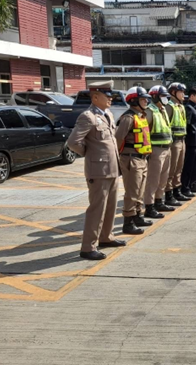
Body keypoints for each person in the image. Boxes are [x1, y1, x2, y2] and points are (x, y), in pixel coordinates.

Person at [67, 81, 125, 261]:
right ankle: (88, 247)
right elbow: (73, 142)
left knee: (111, 206)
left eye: (111, 96)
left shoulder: (108, 114)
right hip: (98, 170)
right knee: (97, 209)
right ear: (95, 97)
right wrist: (89, 153)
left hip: (112, 168)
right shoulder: (88, 117)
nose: (110, 99)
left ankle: (106, 237)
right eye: (107, 96)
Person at [115, 87, 154, 235]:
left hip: (142, 158)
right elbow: (118, 138)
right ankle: (128, 222)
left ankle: (138, 216)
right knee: (132, 192)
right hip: (131, 159)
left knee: (140, 191)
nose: (146, 101)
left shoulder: (141, 116)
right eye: (143, 99)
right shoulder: (128, 118)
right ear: (133, 100)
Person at [144, 85, 174, 219]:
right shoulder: (150, 111)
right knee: (153, 180)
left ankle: (158, 201)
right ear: (155, 97)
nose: (165, 98)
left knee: (163, 178)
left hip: (166, 148)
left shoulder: (162, 110)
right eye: (162, 96)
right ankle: (149, 206)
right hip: (155, 150)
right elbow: (144, 132)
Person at [164, 82, 191, 205]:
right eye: (181, 92)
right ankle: (169, 194)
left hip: (182, 140)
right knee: (172, 169)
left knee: (179, 168)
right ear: (173, 93)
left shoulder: (180, 106)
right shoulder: (169, 106)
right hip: (174, 142)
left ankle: (177, 190)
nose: (183, 94)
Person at [181, 87, 196, 195]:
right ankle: (185, 187)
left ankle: (192, 184)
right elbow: (187, 125)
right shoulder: (189, 108)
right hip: (191, 142)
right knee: (189, 166)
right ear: (192, 96)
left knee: (195, 165)